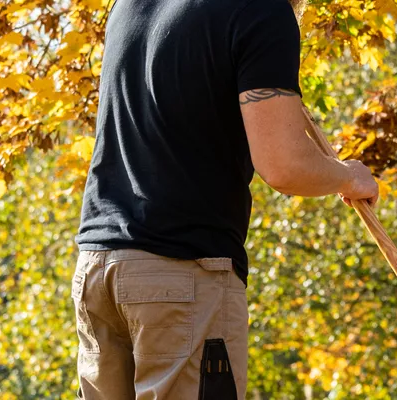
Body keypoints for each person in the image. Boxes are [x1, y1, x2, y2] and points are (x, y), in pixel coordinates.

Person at [70, 0, 378, 395]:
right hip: (179, 275)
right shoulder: (261, 10)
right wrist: (349, 177)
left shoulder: (127, 5)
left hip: (97, 269)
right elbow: (283, 165)